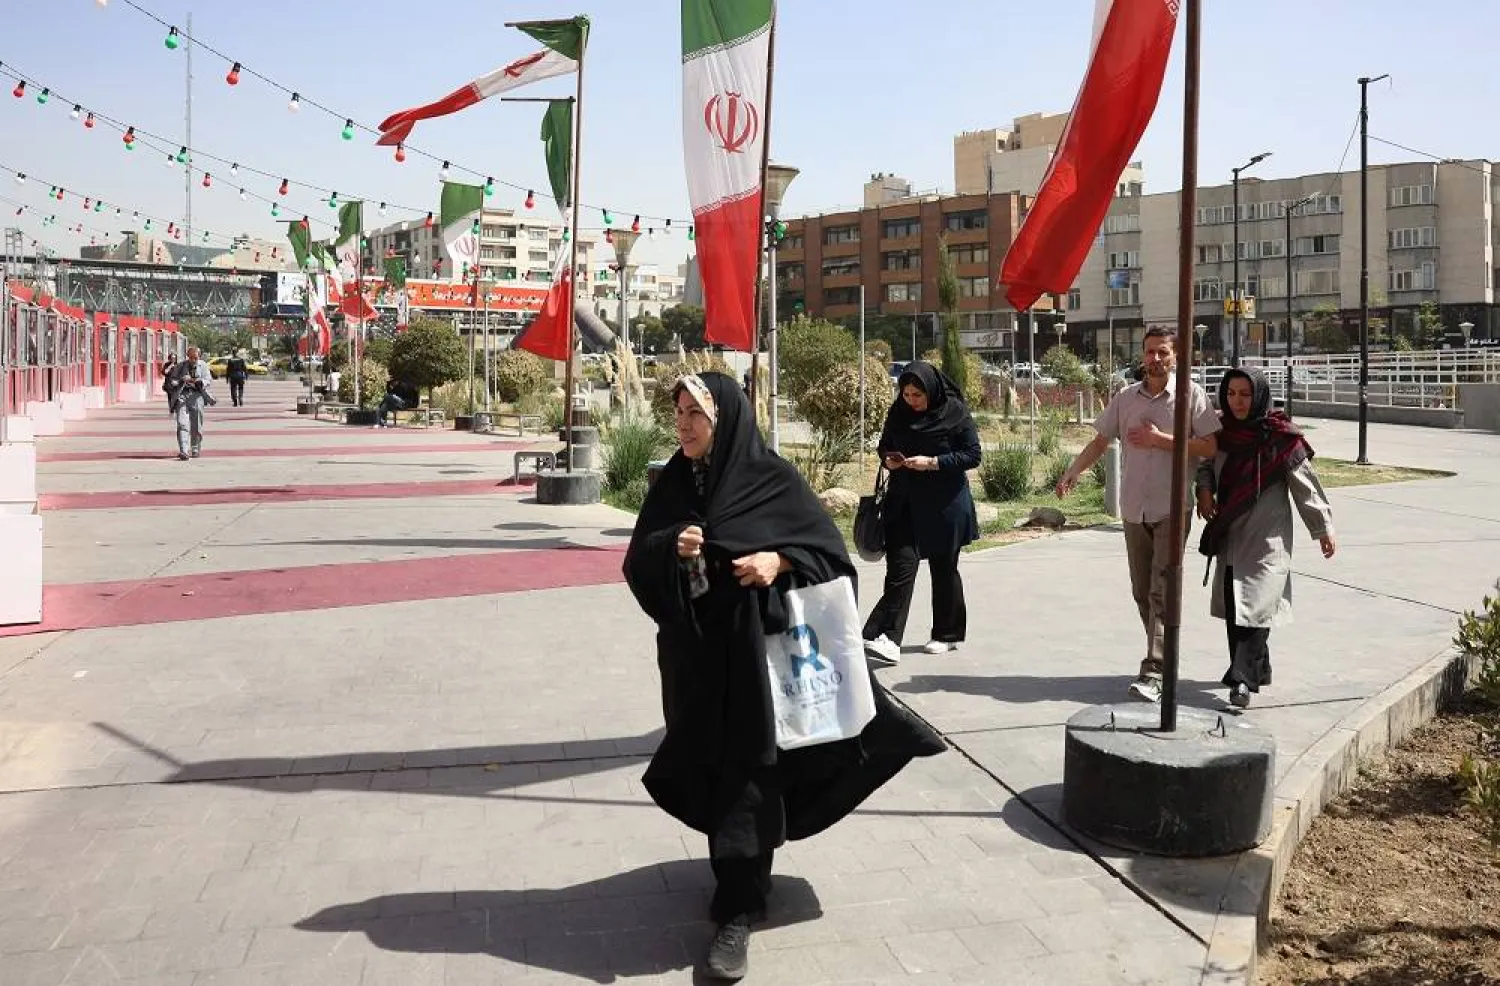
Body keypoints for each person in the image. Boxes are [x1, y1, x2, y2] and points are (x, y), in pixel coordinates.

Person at [624, 371, 945, 981]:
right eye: (680, 412)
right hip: (697, 663)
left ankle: (738, 906)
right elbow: (639, 559)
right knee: (711, 766)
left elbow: (830, 561)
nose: (684, 424)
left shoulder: (771, 480)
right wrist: (675, 549)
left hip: (760, 664)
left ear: (728, 419)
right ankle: (740, 875)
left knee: (749, 770)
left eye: (697, 413)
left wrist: (779, 561)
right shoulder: (674, 481)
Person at [1054, 326, 1221, 703]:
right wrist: (1072, 471)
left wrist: (1162, 441)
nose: (1155, 359)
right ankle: (1166, 656)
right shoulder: (1127, 398)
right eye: (1150, 352)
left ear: (1176, 357)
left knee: (1161, 590)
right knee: (1141, 592)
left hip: (1172, 509)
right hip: (1133, 510)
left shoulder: (1190, 396)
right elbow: (1101, 440)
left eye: (1163, 352)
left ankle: (1155, 670)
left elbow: (1209, 446)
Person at [1196, 367, 1336, 709]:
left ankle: (1241, 679)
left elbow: (1306, 485)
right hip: (1231, 532)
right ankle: (1259, 666)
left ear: (1258, 395)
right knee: (1236, 605)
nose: (1238, 402)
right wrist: (1204, 489)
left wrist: (1322, 528)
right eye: (1231, 394)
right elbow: (1205, 463)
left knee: (1256, 603)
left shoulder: (1280, 435)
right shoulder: (1221, 431)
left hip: (1268, 536)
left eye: (1245, 394)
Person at [862, 361, 982, 664]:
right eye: (906, 394)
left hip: (945, 503)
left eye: (918, 395)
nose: (911, 401)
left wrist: (933, 462)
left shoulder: (955, 412)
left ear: (932, 390)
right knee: (900, 569)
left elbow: (972, 454)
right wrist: (889, 460)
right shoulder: (899, 411)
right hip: (903, 502)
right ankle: (888, 637)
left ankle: (947, 633)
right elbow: (885, 444)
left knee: (943, 570)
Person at [165, 346, 215, 461]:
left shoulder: (203, 366)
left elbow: (208, 379)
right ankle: (183, 450)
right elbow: (172, 380)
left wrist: (197, 381)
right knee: (182, 423)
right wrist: (180, 380)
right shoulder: (181, 366)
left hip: (197, 396)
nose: (193, 360)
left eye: (195, 358)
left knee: (196, 425)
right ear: (188, 357)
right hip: (182, 395)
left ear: (199, 357)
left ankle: (195, 448)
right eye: (191, 358)